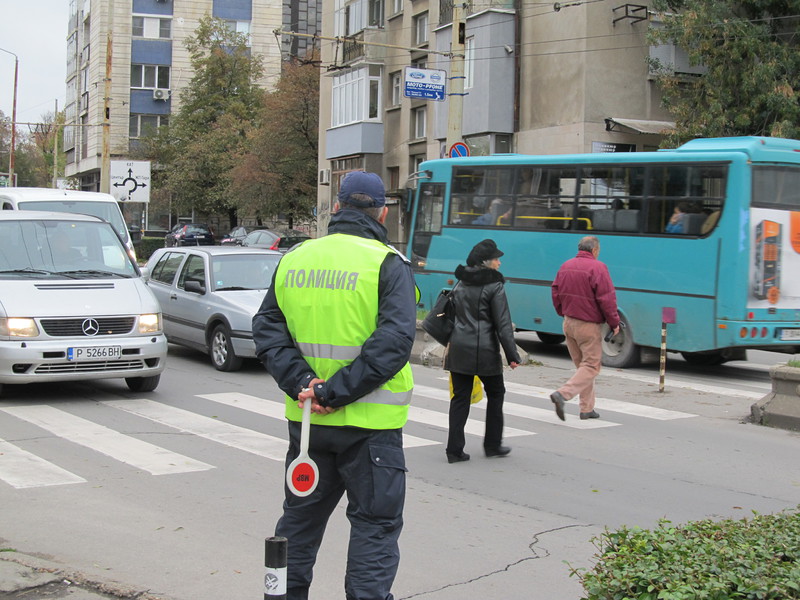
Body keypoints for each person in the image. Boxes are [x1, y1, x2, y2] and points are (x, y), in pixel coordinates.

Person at [252, 171, 418, 600]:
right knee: (374, 530)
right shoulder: (387, 263)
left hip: (308, 427)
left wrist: (305, 384)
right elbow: (394, 342)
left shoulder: (295, 258)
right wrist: (334, 392)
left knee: (298, 525)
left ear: (338, 208)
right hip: (371, 429)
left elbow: (267, 327)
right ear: (382, 212)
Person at [444, 239, 521, 463]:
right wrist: (512, 355)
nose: (499, 262)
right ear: (486, 262)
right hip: (485, 351)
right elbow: (503, 324)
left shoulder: (460, 283)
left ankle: (454, 450)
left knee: (459, 399)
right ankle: (492, 445)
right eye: (496, 259)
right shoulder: (495, 286)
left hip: (458, 349)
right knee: (496, 394)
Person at [550, 236, 620, 421]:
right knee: (590, 366)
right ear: (595, 250)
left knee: (583, 367)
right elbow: (607, 298)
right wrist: (614, 323)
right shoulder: (598, 267)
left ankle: (587, 408)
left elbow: (555, 291)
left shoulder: (566, 265)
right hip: (588, 325)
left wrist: (562, 312)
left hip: (568, 322)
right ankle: (563, 394)